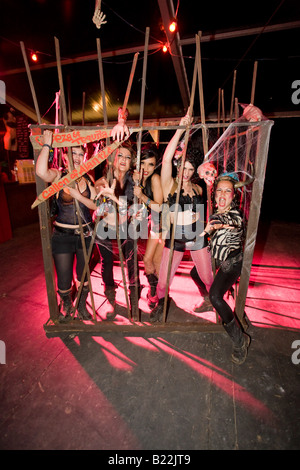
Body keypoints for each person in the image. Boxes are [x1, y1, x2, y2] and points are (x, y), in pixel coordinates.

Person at [150, 110, 214, 322]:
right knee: (164, 279)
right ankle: (160, 303)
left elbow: (202, 216)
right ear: (178, 167)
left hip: (197, 239)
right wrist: (180, 127)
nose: (185, 172)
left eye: (190, 169)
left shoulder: (197, 189)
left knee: (207, 277)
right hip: (175, 238)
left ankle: (212, 301)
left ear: (194, 170)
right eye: (183, 168)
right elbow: (167, 159)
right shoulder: (171, 185)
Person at [36, 131, 97, 322]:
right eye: (74, 153)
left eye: (81, 154)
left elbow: (96, 205)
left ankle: (81, 303)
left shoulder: (87, 180)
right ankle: (67, 304)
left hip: (85, 235)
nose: (78, 158)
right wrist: (47, 144)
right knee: (63, 278)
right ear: (65, 155)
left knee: (83, 275)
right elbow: (41, 172)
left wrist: (80, 197)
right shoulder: (58, 176)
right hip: (62, 236)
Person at [202, 173, 251, 364]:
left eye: (228, 191)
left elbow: (234, 222)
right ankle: (230, 306)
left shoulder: (234, 214)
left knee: (215, 296)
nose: (223, 195)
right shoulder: (214, 214)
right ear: (214, 195)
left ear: (233, 196)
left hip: (233, 265)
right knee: (194, 273)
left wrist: (214, 226)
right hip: (221, 264)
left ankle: (240, 341)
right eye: (219, 190)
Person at [94, 140, 141, 319]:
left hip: (124, 225)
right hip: (105, 225)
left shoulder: (133, 180)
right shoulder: (103, 180)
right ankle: (109, 287)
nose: (123, 159)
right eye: (120, 155)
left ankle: (134, 292)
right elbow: (98, 199)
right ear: (113, 158)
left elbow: (132, 207)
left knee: (131, 259)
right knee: (106, 261)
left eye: (128, 157)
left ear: (131, 162)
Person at [133, 144, 164, 308]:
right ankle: (156, 293)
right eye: (143, 163)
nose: (146, 168)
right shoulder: (141, 179)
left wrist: (142, 195)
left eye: (150, 164)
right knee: (152, 262)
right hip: (154, 223)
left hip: (163, 224)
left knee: (150, 261)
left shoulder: (155, 178)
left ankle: (155, 295)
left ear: (156, 165)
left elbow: (160, 206)